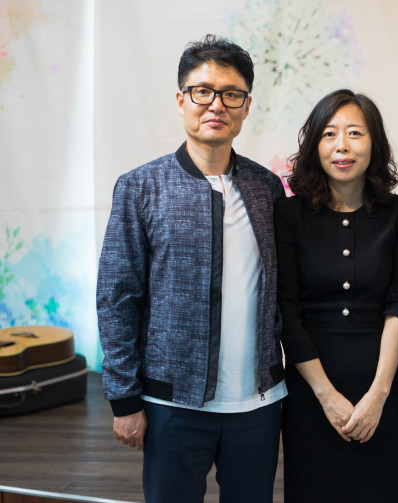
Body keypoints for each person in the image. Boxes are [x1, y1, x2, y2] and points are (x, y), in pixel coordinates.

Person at [97, 35, 286, 503]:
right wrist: (124, 398)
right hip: (171, 403)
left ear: (246, 106)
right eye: (203, 91)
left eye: (231, 94)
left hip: (258, 405)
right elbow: (117, 296)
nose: (216, 104)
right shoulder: (141, 187)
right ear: (181, 100)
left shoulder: (266, 187)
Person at [274, 89, 398, 503]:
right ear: (314, 146)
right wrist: (327, 396)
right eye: (329, 134)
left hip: (384, 389)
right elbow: (288, 312)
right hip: (311, 391)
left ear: (374, 144)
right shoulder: (288, 214)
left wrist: (378, 395)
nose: (342, 146)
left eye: (355, 133)